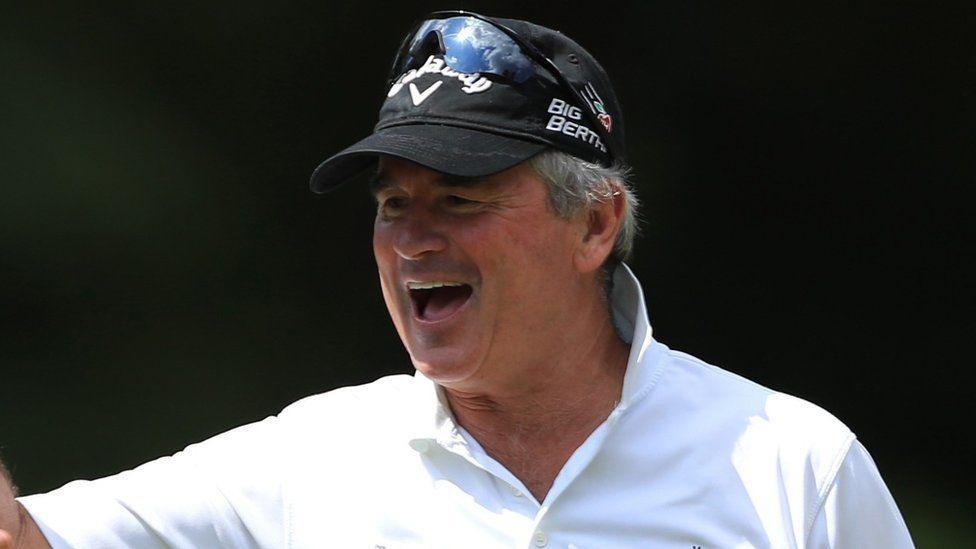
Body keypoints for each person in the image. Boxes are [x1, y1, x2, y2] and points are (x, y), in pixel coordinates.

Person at [1, 11, 914, 548]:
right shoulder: (309, 458)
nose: (412, 239)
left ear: (594, 223)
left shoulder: (796, 467)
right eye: (393, 203)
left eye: (461, 198)